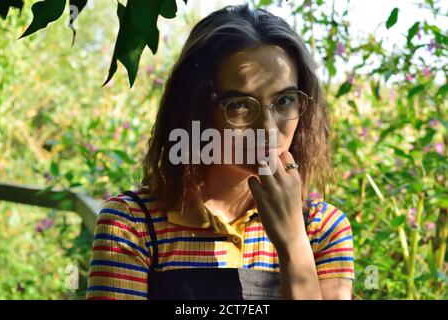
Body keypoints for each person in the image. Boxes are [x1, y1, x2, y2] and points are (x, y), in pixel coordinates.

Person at [86, 4, 354, 300]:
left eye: (284, 100)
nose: (267, 127)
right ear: (196, 109)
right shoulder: (133, 225)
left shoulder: (323, 229)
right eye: (239, 104)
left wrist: (293, 244)